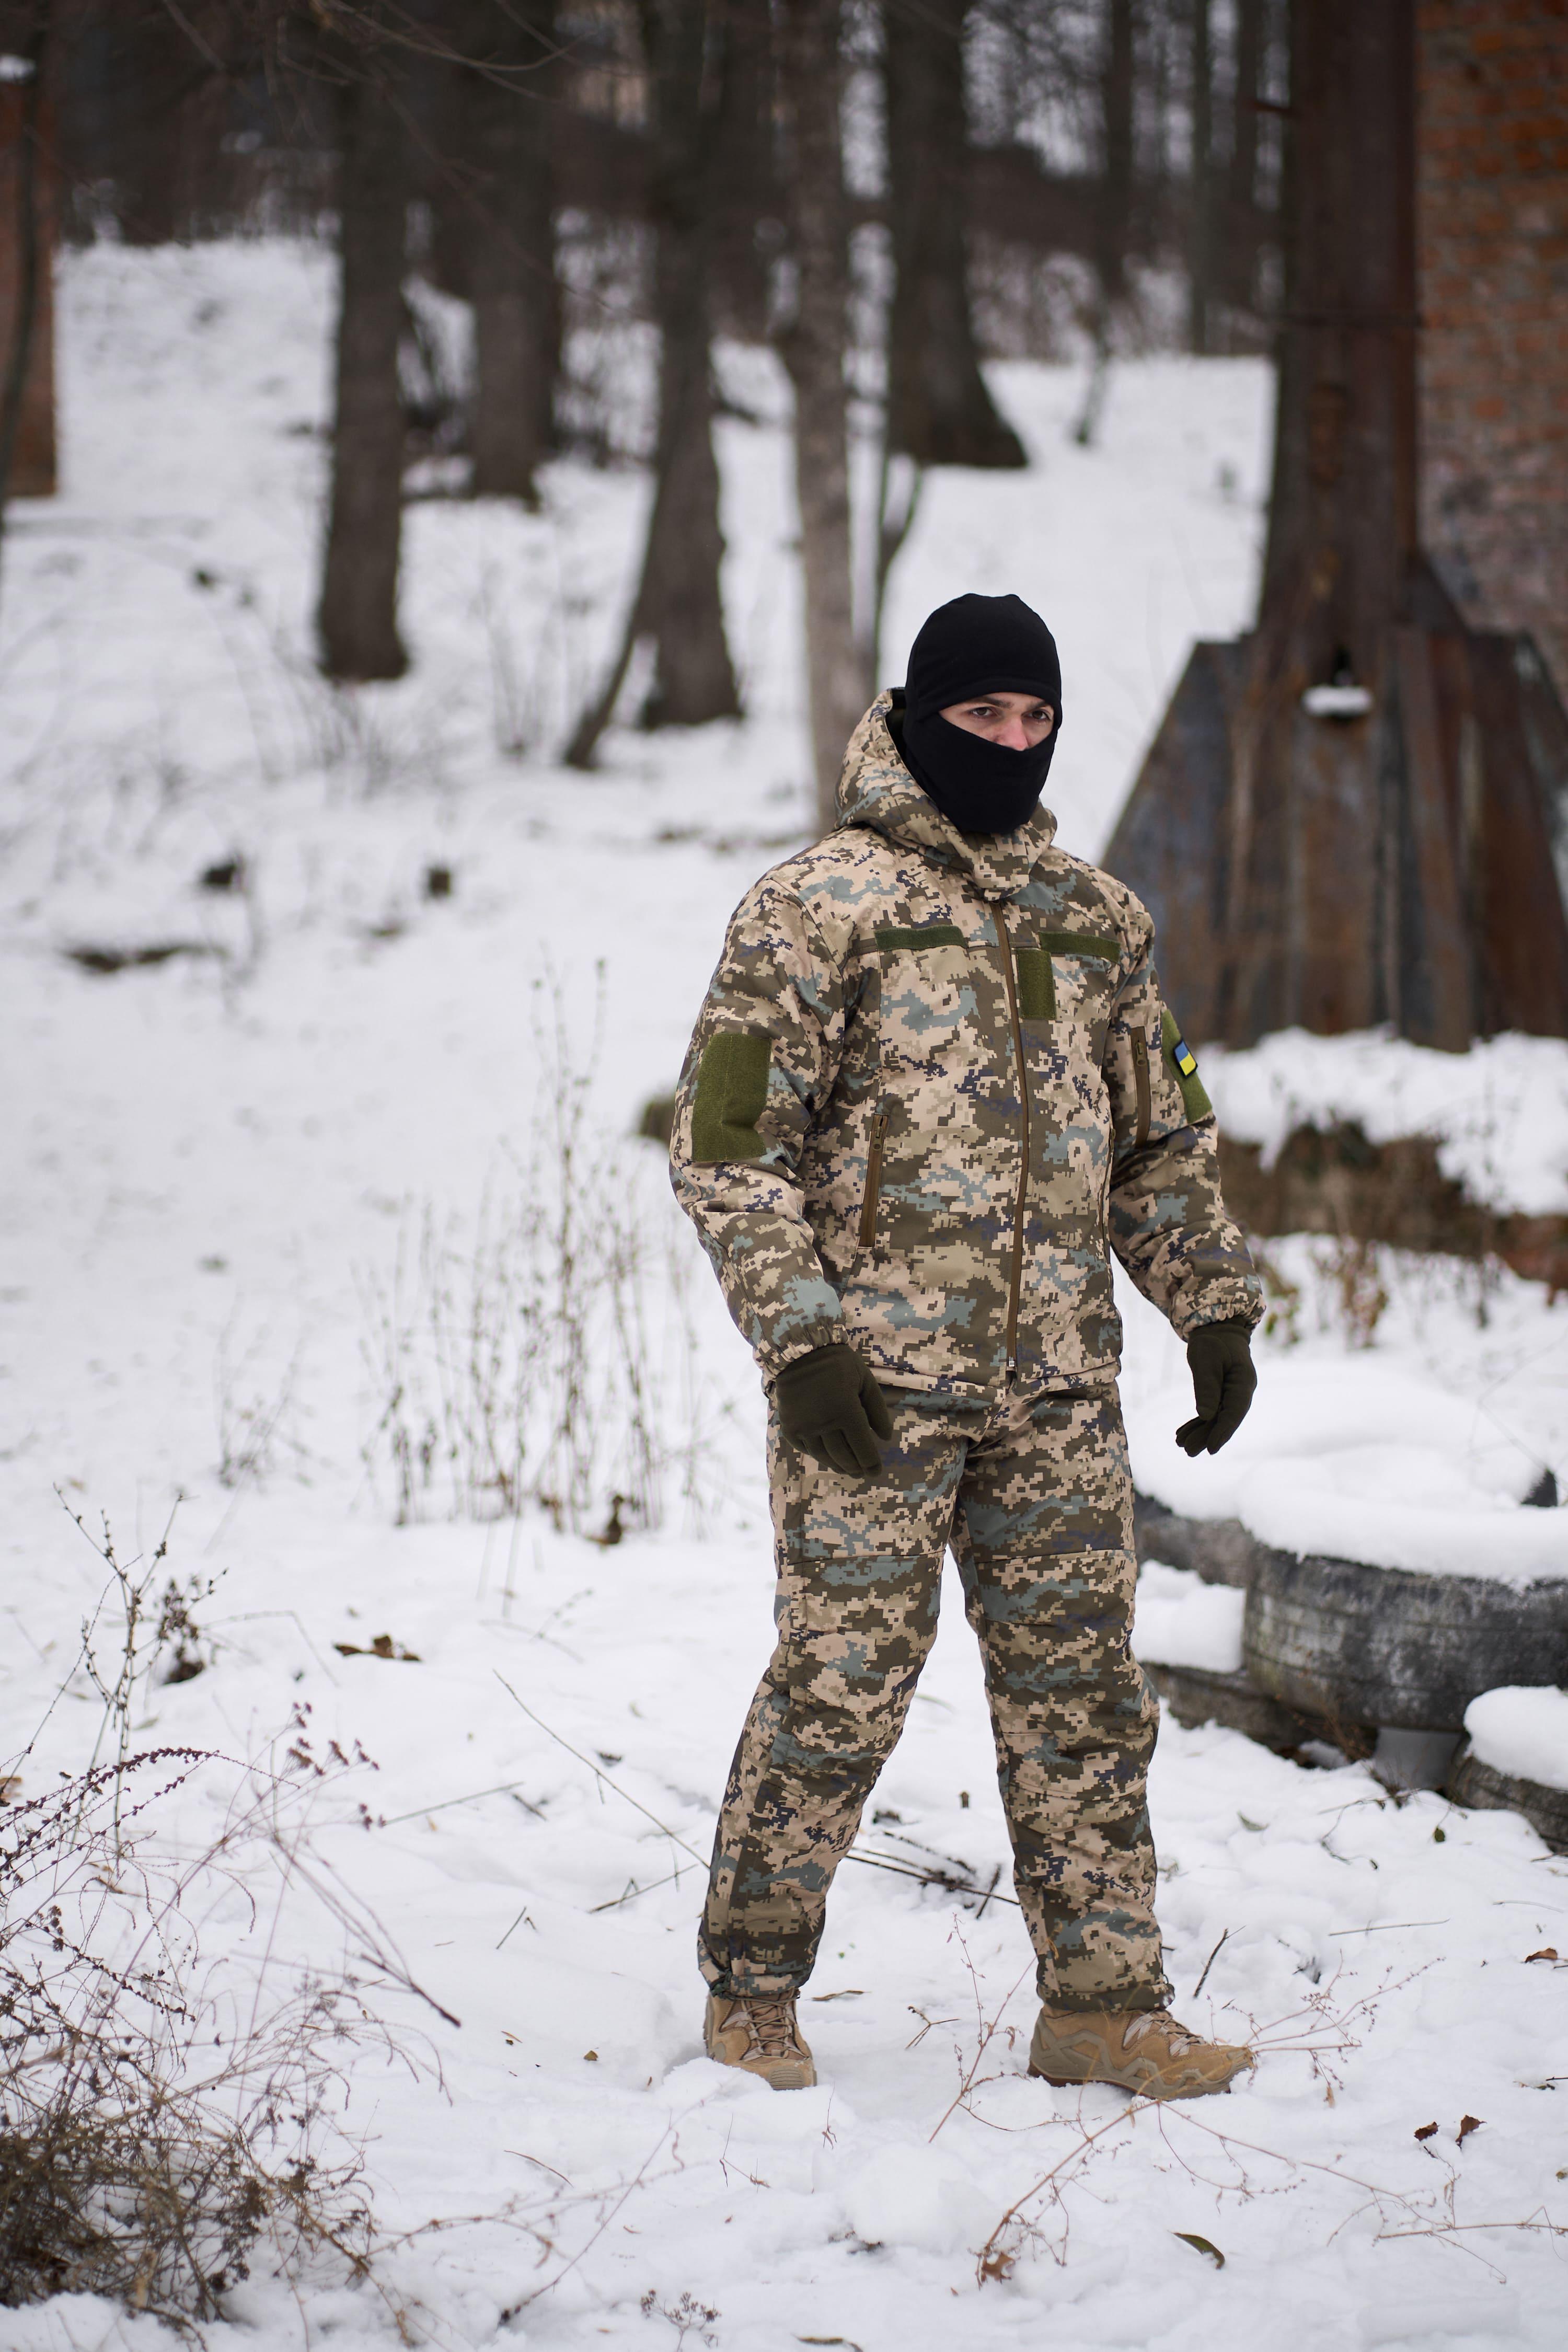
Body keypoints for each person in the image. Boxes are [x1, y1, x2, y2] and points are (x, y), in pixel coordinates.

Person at [668, 593, 1261, 2101]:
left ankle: (1105, 2003)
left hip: (1055, 1389)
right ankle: (751, 1993)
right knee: (843, 1679)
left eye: (1034, 719)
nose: (1011, 741)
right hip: (867, 1390)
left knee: (1083, 1693)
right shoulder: (813, 908)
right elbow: (731, 1147)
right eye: (984, 716)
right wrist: (803, 1341)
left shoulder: (1094, 918)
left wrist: (1209, 1303)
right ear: (922, 719)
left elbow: (1163, 1136)